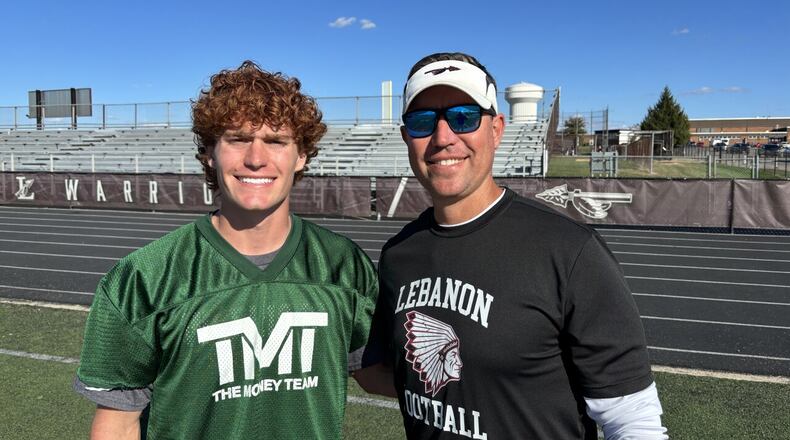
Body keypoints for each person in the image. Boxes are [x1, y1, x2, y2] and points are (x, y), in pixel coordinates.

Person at [355, 52, 668, 439]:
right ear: (407, 138)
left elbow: (632, 418)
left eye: (464, 117)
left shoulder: (569, 251)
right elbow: (393, 373)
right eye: (422, 122)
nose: (442, 137)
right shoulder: (399, 254)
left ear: (496, 129)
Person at [74, 61, 378, 440]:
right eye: (237, 139)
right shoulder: (144, 277)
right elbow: (118, 422)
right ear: (209, 153)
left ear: (301, 155)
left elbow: (376, 373)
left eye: (276, 141)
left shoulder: (343, 265)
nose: (255, 158)